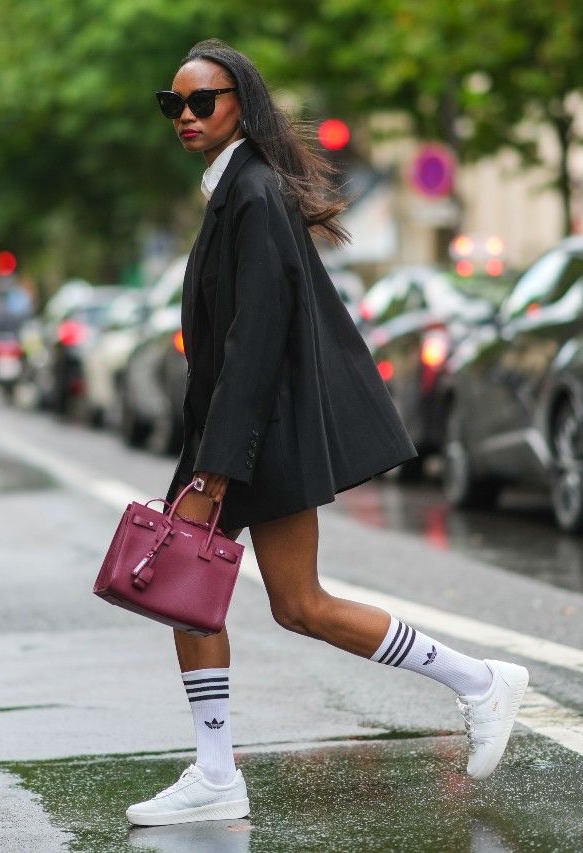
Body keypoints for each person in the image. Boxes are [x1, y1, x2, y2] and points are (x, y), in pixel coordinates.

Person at [126, 39, 529, 827]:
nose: (184, 116)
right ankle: (215, 773)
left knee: (294, 602)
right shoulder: (235, 189)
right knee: (201, 594)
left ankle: (480, 681)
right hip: (237, 434)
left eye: (200, 101)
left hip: (254, 436)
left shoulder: (251, 194)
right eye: (171, 104)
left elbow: (256, 339)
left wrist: (213, 474)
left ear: (240, 102)